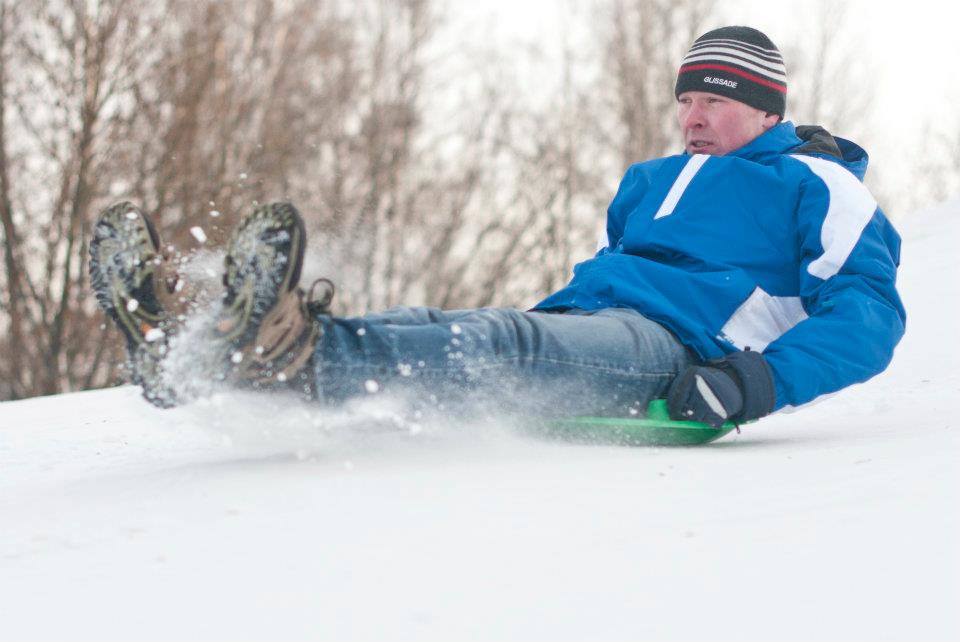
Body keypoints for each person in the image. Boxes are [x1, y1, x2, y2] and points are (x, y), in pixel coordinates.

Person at [89, 26, 905, 427]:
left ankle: (287, 348)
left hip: (676, 352)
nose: (691, 117)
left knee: (501, 348)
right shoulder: (652, 180)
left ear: (766, 106)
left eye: (713, 101)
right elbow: (612, 272)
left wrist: (746, 384)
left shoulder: (818, 182)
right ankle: (201, 352)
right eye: (685, 99)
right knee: (448, 328)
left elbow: (868, 313)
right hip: (590, 323)